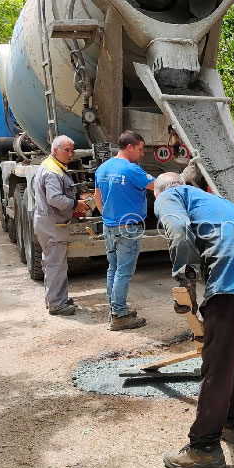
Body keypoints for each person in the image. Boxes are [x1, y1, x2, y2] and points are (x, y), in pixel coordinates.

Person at [153, 172, 234, 468]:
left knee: (220, 361)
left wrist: (185, 280)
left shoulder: (170, 195)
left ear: (158, 194)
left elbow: (178, 229)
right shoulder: (213, 200)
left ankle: (205, 446)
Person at [93, 130, 154, 331]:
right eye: (140, 148)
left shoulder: (103, 168)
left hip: (109, 226)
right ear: (130, 147)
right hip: (129, 228)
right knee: (124, 272)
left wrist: (107, 216)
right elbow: (158, 186)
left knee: (113, 268)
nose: (142, 153)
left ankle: (115, 308)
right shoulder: (132, 170)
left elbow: (97, 197)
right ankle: (119, 315)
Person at [33, 135, 90, 316]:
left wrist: (76, 199)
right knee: (56, 265)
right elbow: (54, 198)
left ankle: (56, 297)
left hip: (50, 222)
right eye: (67, 150)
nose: (70, 154)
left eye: (72, 150)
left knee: (53, 263)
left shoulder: (53, 166)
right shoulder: (52, 171)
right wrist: (75, 204)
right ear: (55, 150)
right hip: (52, 224)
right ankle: (57, 304)